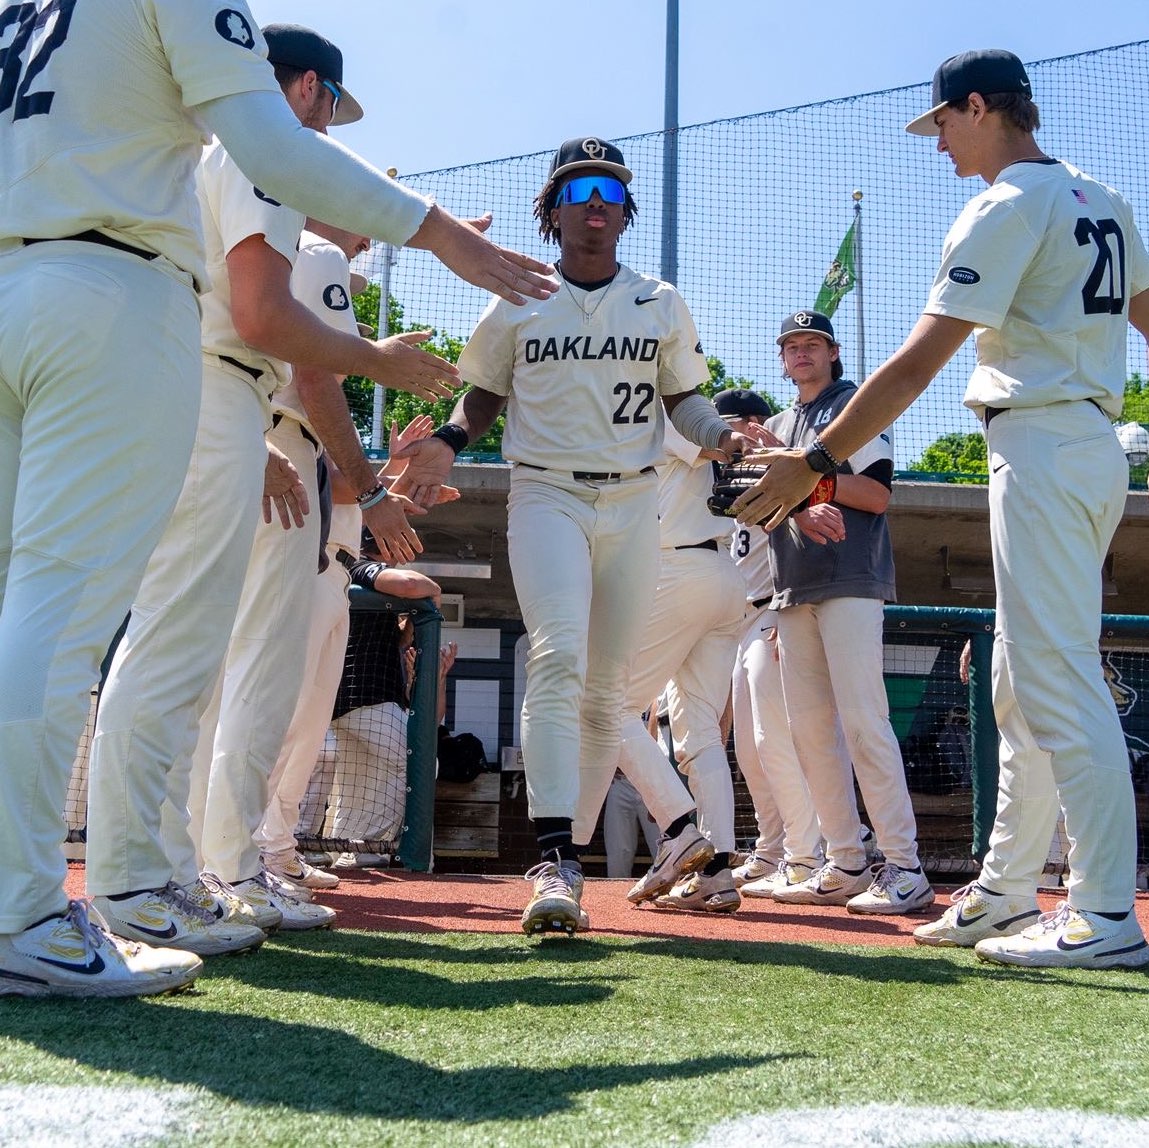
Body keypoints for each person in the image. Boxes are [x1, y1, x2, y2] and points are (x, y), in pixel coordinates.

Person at [0, 0, 557, 999]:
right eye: (329, 109)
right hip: (121, 307)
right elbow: (270, 163)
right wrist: (437, 240)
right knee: (100, 625)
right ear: (309, 88)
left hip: (21, 282)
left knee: (50, 617)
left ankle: (92, 885)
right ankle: (53, 901)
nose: (329, 125)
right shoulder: (236, 115)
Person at [736, 50, 1149, 968]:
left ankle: (1104, 913)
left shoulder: (1005, 204)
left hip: (1043, 444)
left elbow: (918, 362)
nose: (938, 147)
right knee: (1016, 677)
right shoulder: (1102, 197)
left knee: (1056, 680)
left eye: (942, 126)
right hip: (1080, 445)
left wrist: (813, 460)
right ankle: (1005, 890)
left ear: (976, 107)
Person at [396, 136, 758, 935]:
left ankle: (581, 859)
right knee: (558, 656)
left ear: (624, 211)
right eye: (579, 187)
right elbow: (482, 395)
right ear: (552, 210)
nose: (595, 201)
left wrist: (722, 437)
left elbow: (685, 405)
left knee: (607, 688)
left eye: (609, 189)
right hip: (547, 492)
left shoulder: (660, 300)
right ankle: (552, 860)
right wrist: (448, 444)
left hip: (634, 507)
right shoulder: (517, 293)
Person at [756, 311, 934, 916]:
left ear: (832, 353)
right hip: (792, 586)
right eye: (791, 346)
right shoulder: (780, 424)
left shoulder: (853, 404)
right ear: (782, 360)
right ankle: (846, 859)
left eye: (812, 344)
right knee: (809, 732)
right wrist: (781, 478)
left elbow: (878, 494)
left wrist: (803, 483)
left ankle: (905, 866)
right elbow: (751, 505)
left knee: (863, 721)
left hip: (851, 579)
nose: (801, 354)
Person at [577, 418, 750, 914]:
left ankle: (677, 829)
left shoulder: (664, 413)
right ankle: (716, 875)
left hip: (677, 569)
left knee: (605, 705)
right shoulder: (676, 418)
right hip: (722, 576)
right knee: (700, 733)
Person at [716, 389, 832, 900]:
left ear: (755, 423)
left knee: (774, 741)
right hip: (737, 620)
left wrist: (788, 614)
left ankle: (805, 856)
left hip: (772, 610)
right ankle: (771, 848)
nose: (724, 434)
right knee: (748, 749)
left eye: (732, 424)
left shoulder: (782, 472)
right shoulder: (726, 477)